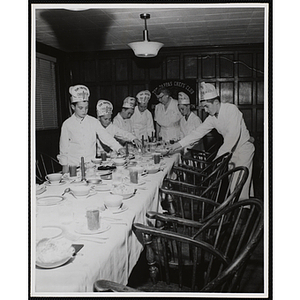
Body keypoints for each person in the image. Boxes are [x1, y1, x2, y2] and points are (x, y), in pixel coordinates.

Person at [169, 82, 255, 200]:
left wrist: (218, 157)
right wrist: (178, 145)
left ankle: (242, 214)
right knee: (233, 185)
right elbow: (198, 132)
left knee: (240, 185)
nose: (205, 110)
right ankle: (240, 210)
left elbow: (232, 136)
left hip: (243, 149)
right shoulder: (212, 118)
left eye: (206, 106)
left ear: (216, 102)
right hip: (229, 151)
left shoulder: (231, 110)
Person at [57, 85, 125, 173]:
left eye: (86, 108)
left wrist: (118, 147)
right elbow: (64, 148)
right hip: (74, 166)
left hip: (91, 166)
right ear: (73, 107)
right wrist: (64, 166)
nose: (84, 111)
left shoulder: (93, 122)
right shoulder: (67, 124)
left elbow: (105, 136)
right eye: (80, 108)